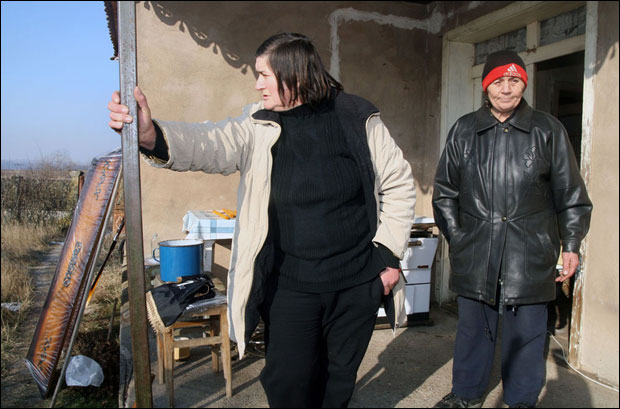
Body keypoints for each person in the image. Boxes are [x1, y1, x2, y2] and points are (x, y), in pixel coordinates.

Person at [108, 32, 416, 408]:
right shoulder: (258, 123)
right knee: (287, 383)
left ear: (295, 74)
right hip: (290, 288)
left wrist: (387, 259)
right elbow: (211, 142)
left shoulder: (356, 116)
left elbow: (399, 184)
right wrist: (151, 136)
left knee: (337, 384)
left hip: (356, 284)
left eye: (264, 75)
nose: (257, 84)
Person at [431, 50, 592, 408]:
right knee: (473, 331)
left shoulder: (548, 129)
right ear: (486, 87)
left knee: (528, 336)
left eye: (514, 80)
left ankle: (520, 400)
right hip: (477, 250)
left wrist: (571, 244)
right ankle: (466, 394)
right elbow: (444, 194)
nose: (506, 89)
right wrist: (459, 238)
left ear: (524, 84)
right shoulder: (464, 130)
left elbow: (571, 195)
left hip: (530, 253)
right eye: (499, 81)